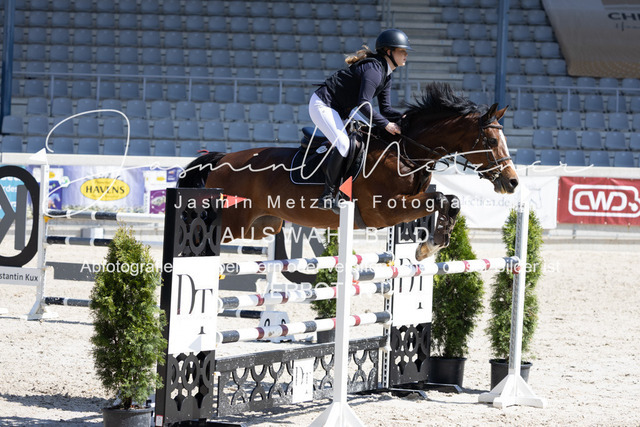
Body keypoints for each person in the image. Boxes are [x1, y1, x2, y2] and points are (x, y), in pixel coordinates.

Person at [309, 29, 411, 210]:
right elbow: (363, 104)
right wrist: (386, 125)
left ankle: (347, 188)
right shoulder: (374, 70)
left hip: (341, 109)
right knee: (343, 144)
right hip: (323, 104)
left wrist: (405, 117)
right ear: (388, 52)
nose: (406, 55)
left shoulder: (386, 75)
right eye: (401, 51)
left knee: (363, 138)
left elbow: (386, 110)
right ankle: (327, 195)